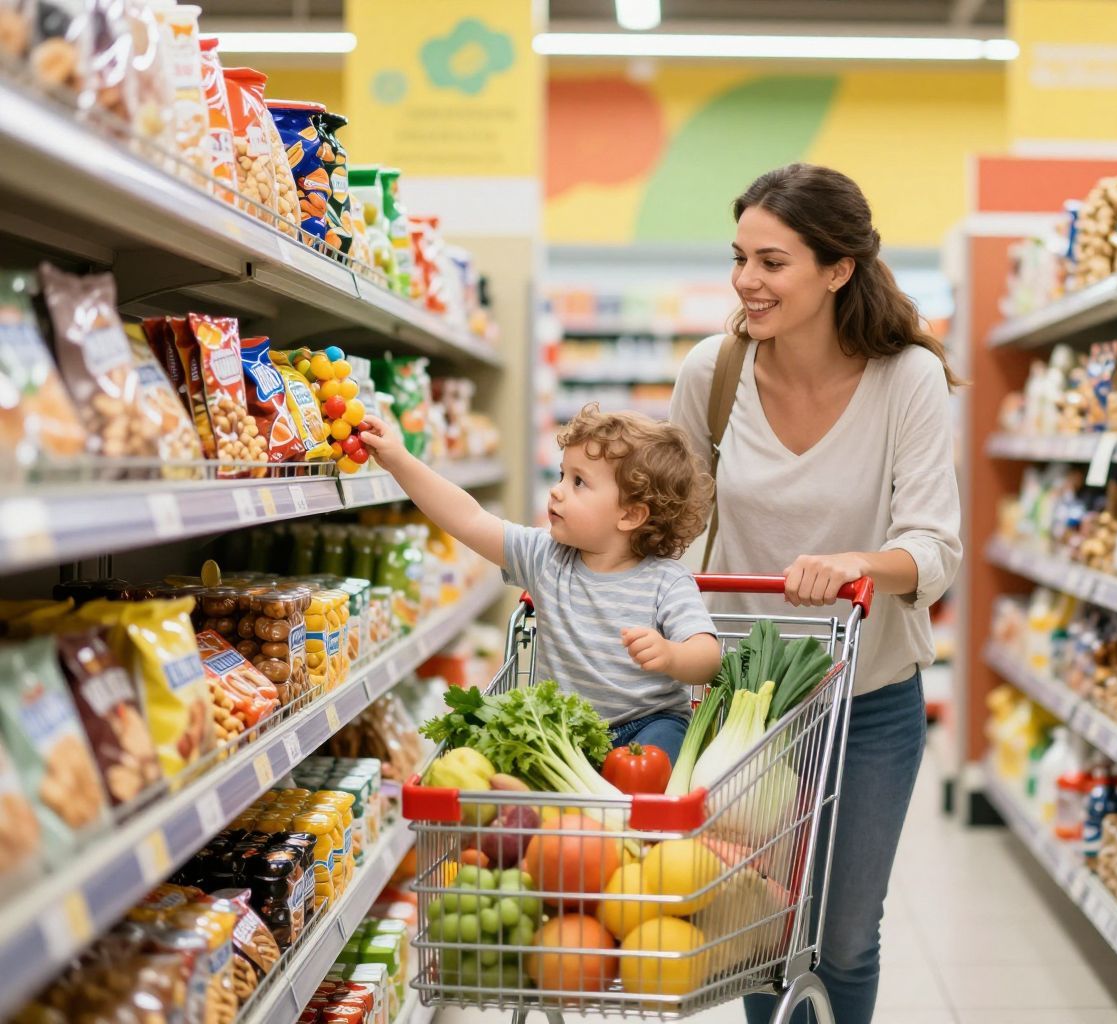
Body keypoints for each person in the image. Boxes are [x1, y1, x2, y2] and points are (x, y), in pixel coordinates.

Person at [670, 162, 963, 1024]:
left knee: (842, 938)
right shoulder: (712, 374)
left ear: (838, 269)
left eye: (772, 262)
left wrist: (860, 565)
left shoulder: (904, 377)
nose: (746, 283)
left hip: (868, 699)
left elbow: (934, 545)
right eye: (740, 259)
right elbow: (670, 521)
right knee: (760, 924)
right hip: (745, 706)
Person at [357, 404, 721, 762]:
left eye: (578, 482)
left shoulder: (667, 582)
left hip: (647, 724)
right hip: (563, 730)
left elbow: (707, 657)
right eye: (562, 475)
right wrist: (399, 461)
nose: (557, 491)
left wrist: (671, 655)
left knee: (663, 749)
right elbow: (468, 519)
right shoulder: (545, 557)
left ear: (630, 514)